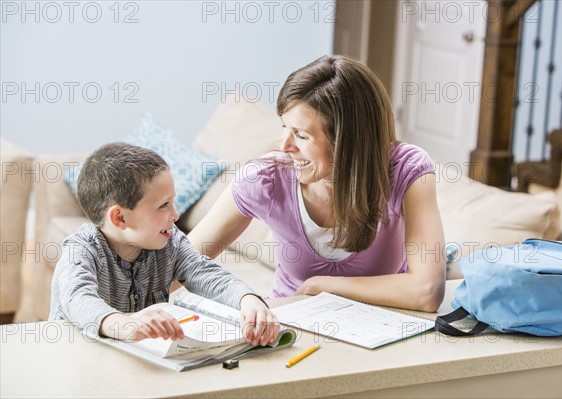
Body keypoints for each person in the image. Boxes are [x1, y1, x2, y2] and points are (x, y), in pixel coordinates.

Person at [188, 55, 446, 312]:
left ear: (348, 142)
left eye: (301, 135)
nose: (285, 146)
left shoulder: (406, 170)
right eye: (284, 128)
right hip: (290, 330)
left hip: (381, 332)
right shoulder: (265, 179)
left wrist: (326, 287)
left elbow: (428, 292)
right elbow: (181, 265)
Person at [49, 142, 279, 345]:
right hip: (76, 359)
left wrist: (247, 299)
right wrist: (129, 325)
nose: (175, 214)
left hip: (136, 358)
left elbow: (204, 271)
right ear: (120, 218)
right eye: (163, 205)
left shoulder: (169, 242)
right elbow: (77, 298)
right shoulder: (80, 251)